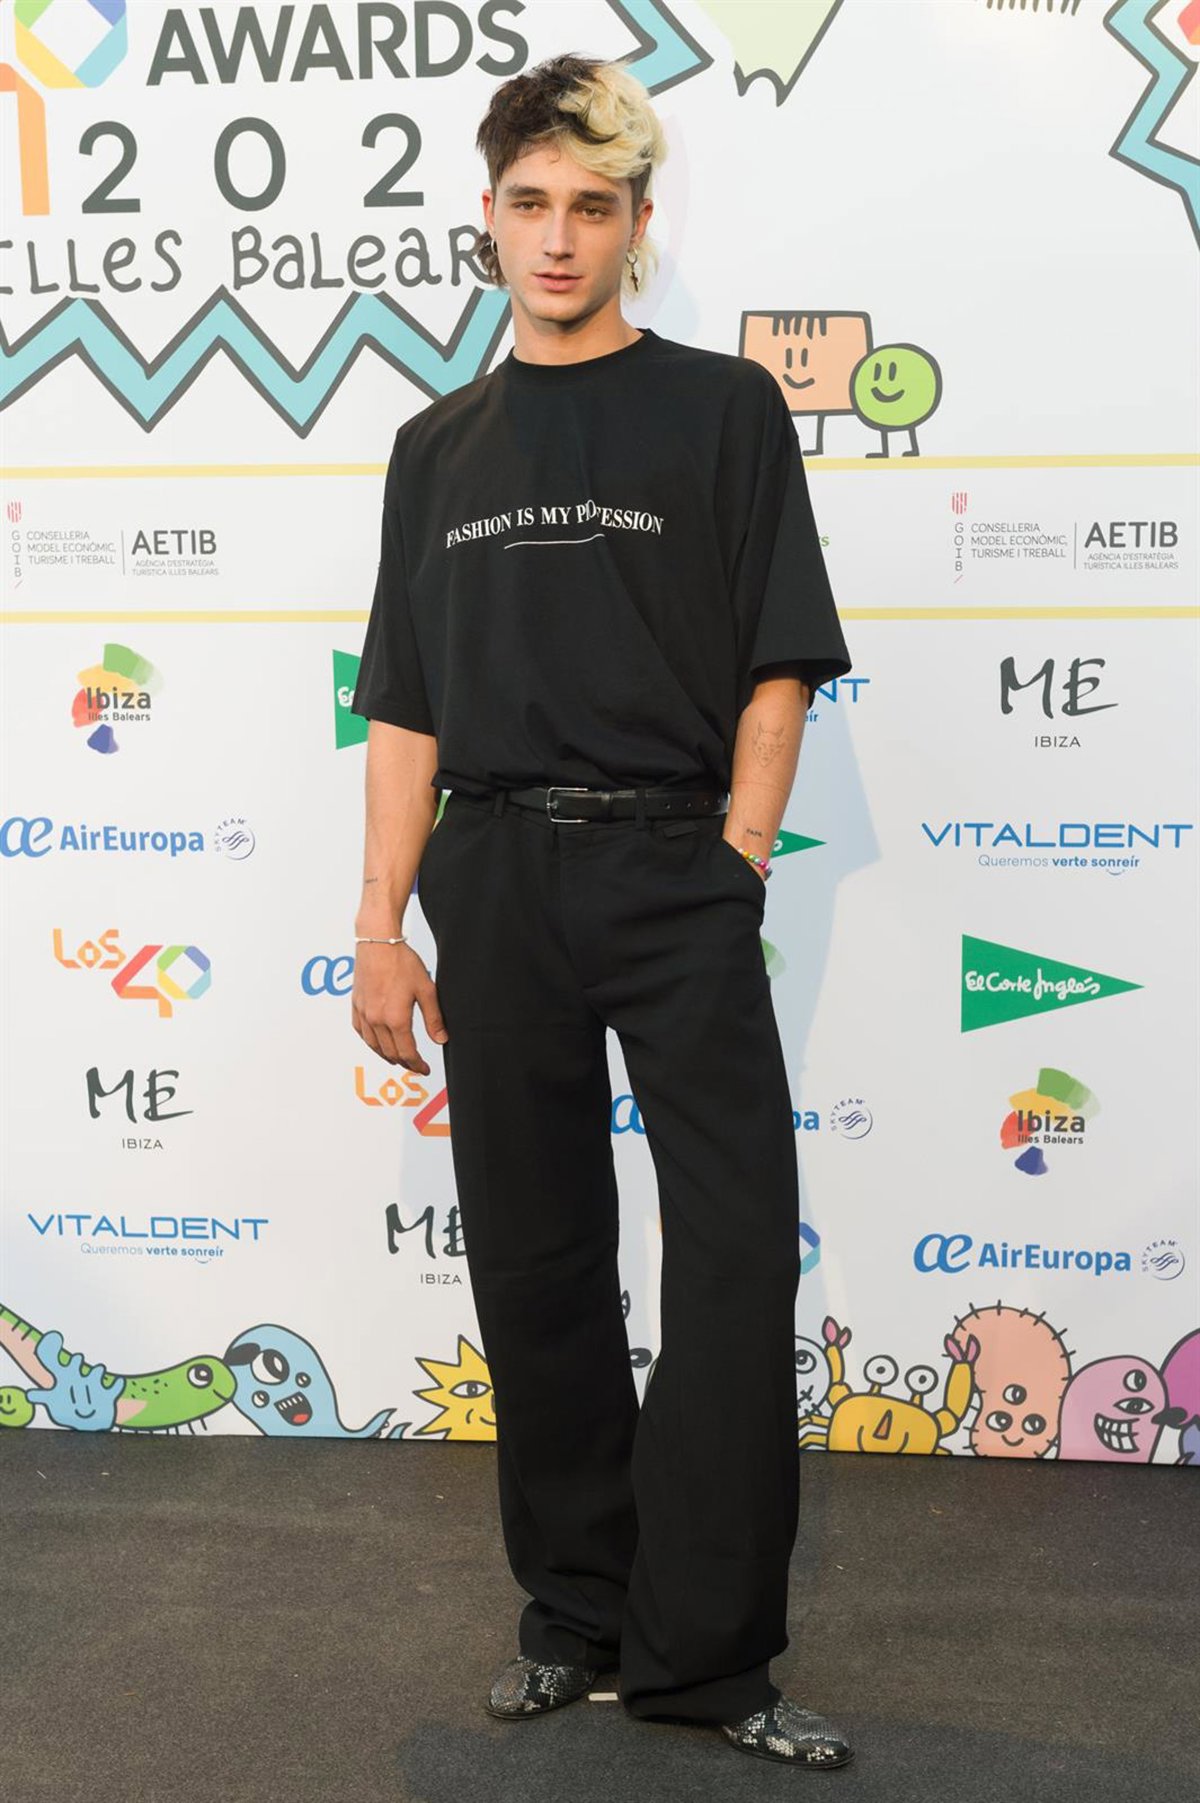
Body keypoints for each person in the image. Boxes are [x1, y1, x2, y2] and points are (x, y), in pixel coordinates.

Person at [350, 52, 855, 1771]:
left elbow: (780, 656)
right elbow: (404, 709)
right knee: (536, 1254)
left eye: (592, 206)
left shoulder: (723, 409)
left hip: (673, 872)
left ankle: (707, 1658)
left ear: (639, 224)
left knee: (732, 1256)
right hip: (494, 880)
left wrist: (739, 855)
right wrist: (378, 925)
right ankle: (575, 1615)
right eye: (529, 204)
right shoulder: (434, 448)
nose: (557, 237)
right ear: (489, 219)